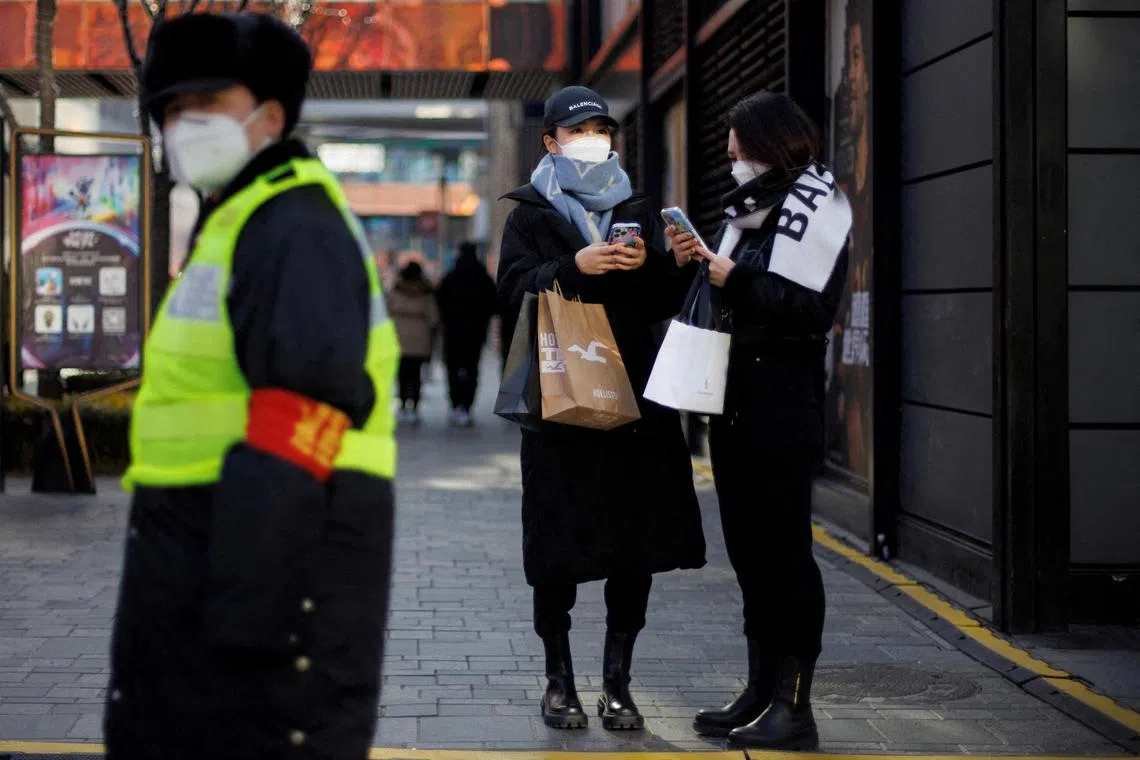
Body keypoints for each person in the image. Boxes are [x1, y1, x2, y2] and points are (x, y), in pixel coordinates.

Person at [105, 13, 399, 760]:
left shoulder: (291, 226)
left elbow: (302, 415)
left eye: (206, 104)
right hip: (205, 574)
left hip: (259, 610)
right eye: (171, 109)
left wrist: (244, 626)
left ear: (270, 115)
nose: (184, 124)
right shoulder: (239, 220)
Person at [497, 85, 706, 731]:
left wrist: (668, 266)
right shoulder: (529, 212)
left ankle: (618, 682)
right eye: (578, 129)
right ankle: (559, 679)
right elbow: (510, 293)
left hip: (634, 399)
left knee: (634, 542)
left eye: (600, 128)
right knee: (557, 542)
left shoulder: (633, 206)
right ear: (550, 140)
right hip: (561, 401)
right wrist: (574, 264)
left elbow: (652, 304)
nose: (592, 138)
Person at [669, 92, 850, 751]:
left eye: (739, 150)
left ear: (771, 144)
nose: (731, 160)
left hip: (780, 403)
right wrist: (697, 262)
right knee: (748, 554)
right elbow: (739, 292)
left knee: (785, 556)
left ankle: (793, 708)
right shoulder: (751, 212)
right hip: (735, 400)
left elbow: (805, 309)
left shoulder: (817, 205)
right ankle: (758, 690)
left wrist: (730, 274)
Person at [436, 241, 497, 426]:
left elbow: (439, 300)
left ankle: (455, 404)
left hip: (452, 332)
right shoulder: (483, 277)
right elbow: (494, 303)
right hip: (476, 333)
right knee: (471, 369)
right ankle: (467, 407)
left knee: (453, 369)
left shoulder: (451, 277)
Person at [387, 260, 439, 424]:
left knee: (401, 375)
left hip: (399, 339)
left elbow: (386, 312)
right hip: (419, 341)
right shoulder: (426, 293)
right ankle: (414, 408)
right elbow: (434, 318)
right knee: (415, 376)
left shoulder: (396, 291)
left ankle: (402, 405)